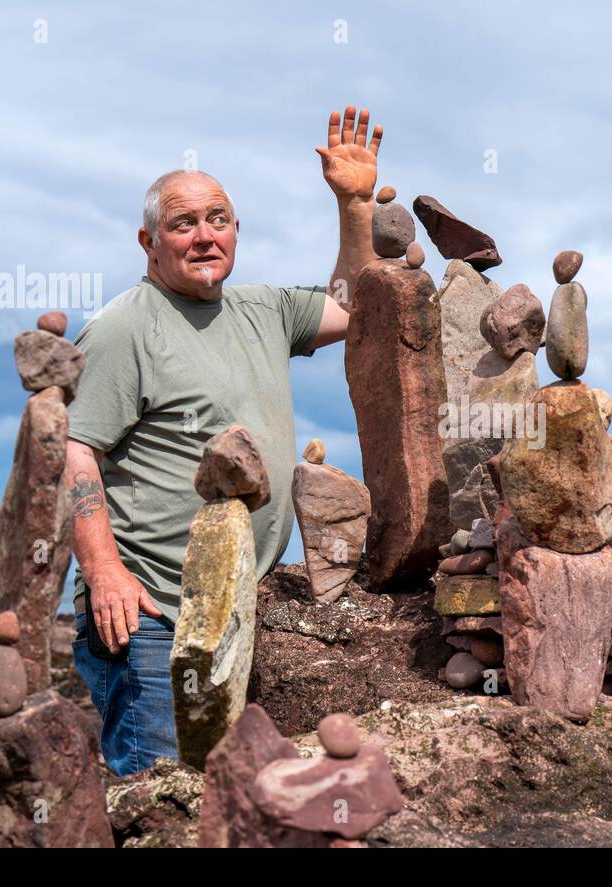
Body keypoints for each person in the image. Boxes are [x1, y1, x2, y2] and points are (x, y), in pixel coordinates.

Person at [64, 106, 382, 775]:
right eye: (183, 223)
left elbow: (356, 310)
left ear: (236, 231)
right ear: (148, 241)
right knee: (158, 794)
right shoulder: (124, 329)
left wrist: (354, 207)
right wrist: (102, 573)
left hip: (233, 606)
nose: (204, 236)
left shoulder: (263, 310)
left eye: (218, 220)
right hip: (151, 616)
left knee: (209, 799)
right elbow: (73, 451)